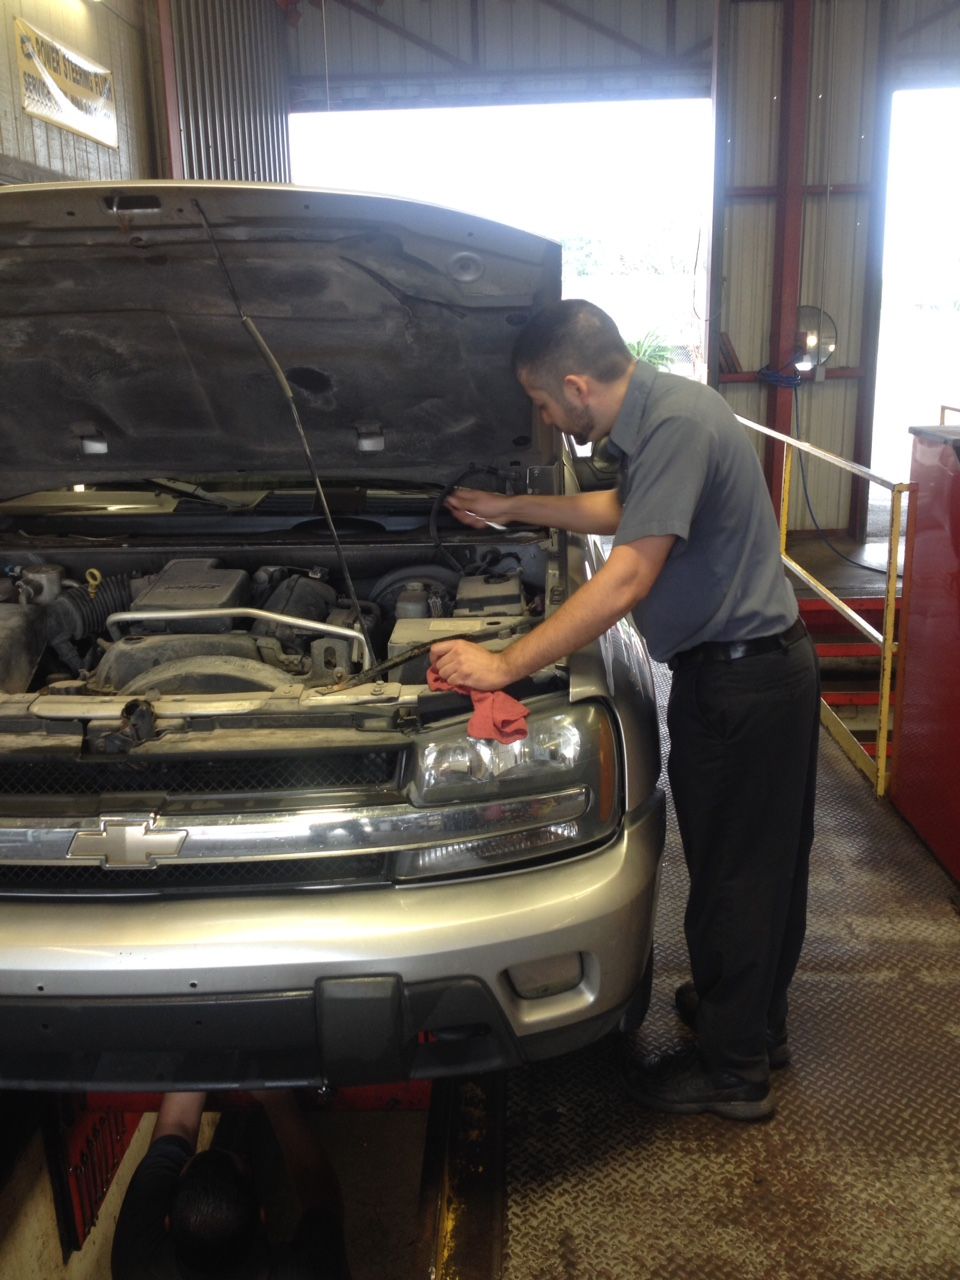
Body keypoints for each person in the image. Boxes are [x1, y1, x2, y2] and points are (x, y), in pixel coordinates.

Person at [430, 299, 820, 1123]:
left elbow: (628, 576)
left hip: (743, 686)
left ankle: (734, 1069)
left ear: (575, 388)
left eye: (542, 404)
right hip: (757, 674)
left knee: (737, 879)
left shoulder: (672, 426)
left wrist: (505, 661)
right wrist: (513, 510)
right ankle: (750, 1019)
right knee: (758, 867)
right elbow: (621, 512)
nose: (543, 417)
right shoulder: (664, 411)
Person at [111, 1089, 352, 1279]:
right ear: (262, 1216)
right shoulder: (313, 1273)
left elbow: (177, 1124)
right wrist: (276, 1099)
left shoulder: (137, 1265)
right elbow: (321, 1196)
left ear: (167, 1222)